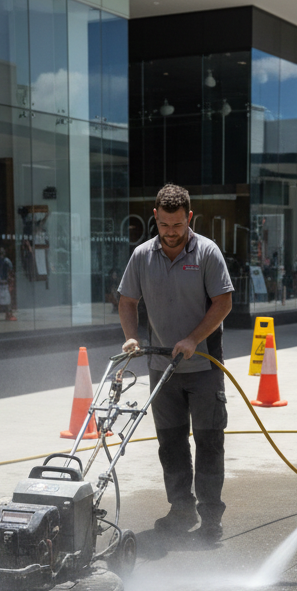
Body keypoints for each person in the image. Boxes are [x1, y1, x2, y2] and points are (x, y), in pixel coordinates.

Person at [117, 184, 235, 543]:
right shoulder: (141, 256)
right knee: (170, 445)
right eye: (165, 225)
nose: (171, 233)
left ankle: (210, 518)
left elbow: (223, 302)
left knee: (209, 443)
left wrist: (193, 338)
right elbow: (126, 301)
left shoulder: (207, 253)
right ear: (155, 217)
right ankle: (180, 509)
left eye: (178, 225)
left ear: (190, 218)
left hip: (203, 367)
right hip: (161, 370)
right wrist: (132, 336)